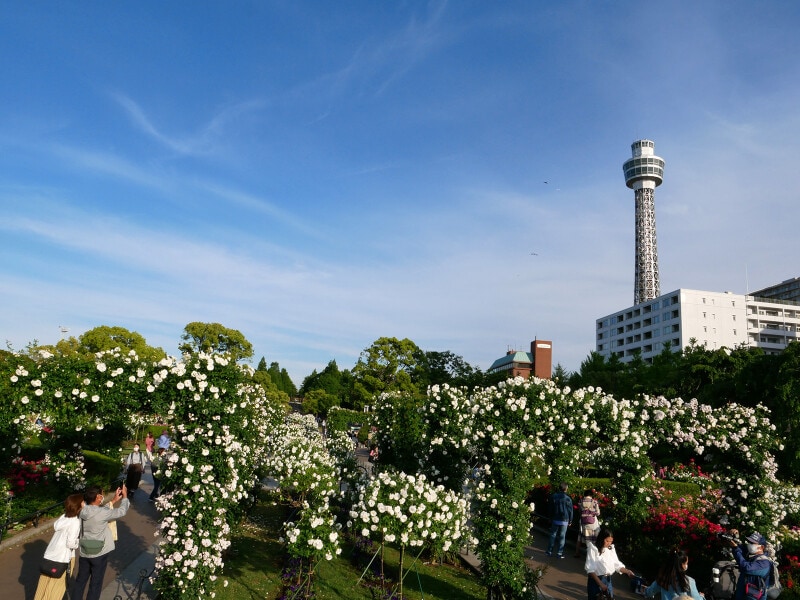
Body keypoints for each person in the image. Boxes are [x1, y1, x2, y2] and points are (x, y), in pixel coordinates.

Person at [72, 484, 130, 600]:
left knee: (80, 581)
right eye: (102, 494)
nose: (103, 496)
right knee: (96, 583)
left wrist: (113, 500)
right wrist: (125, 497)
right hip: (99, 553)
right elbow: (122, 511)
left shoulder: (82, 510)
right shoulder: (102, 513)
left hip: (84, 551)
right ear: (98, 497)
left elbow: (99, 511)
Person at [33, 493, 84, 600]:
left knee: (43, 585)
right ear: (79, 505)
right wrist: (78, 542)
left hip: (50, 555)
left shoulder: (63, 517)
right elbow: (70, 543)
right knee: (57, 588)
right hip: (63, 558)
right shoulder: (75, 522)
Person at [585, 527, 635, 599]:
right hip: (596, 581)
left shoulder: (610, 548)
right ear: (602, 538)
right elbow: (590, 570)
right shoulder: (593, 549)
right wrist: (600, 584)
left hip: (608, 580)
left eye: (611, 541)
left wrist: (627, 571)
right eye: (607, 541)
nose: (609, 543)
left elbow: (616, 564)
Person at [725, 530, 772, 600]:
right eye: (749, 542)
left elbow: (746, 568)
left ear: (761, 547)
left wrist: (735, 548)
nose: (749, 544)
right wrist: (732, 536)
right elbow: (738, 548)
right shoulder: (751, 557)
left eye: (752, 543)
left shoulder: (764, 563)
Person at [545, 482, 574, 559]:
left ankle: (549, 551)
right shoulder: (568, 498)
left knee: (553, 535)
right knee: (562, 536)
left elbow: (550, 508)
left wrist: (550, 518)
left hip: (555, 518)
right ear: (566, 489)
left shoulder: (554, 496)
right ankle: (559, 553)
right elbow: (570, 511)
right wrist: (570, 520)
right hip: (565, 519)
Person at [575, 489, 601, 557]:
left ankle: (580, 554)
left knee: (587, 542)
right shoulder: (594, 501)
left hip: (584, 523)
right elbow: (598, 513)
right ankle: (592, 557)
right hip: (593, 524)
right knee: (594, 541)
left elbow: (580, 512)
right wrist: (592, 513)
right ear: (591, 495)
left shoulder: (580, 501)